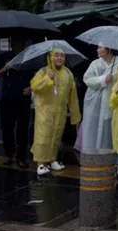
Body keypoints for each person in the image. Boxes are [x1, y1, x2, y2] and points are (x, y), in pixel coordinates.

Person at [79, 45, 118, 154]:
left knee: (113, 129)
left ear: (108, 49)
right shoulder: (95, 64)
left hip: (116, 102)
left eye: (100, 48)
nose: (97, 50)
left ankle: (113, 157)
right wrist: (103, 79)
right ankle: (96, 155)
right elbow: (87, 79)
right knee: (96, 129)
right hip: (97, 103)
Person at [30, 47, 82, 176]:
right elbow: (34, 86)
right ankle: (41, 163)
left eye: (62, 56)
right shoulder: (43, 71)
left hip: (60, 111)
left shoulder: (68, 73)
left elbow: (72, 94)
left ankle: (52, 159)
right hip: (45, 110)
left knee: (56, 136)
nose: (59, 58)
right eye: (56, 55)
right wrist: (47, 78)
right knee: (43, 136)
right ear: (51, 57)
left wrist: (75, 113)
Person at [0, 39, 32, 169]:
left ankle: (21, 156)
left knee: (22, 127)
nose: (19, 44)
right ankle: (8, 153)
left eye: (21, 41)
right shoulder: (5, 56)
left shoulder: (29, 57)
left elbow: (38, 76)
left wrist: (31, 88)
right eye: (16, 41)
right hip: (7, 96)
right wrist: (5, 68)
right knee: (7, 126)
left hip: (23, 97)